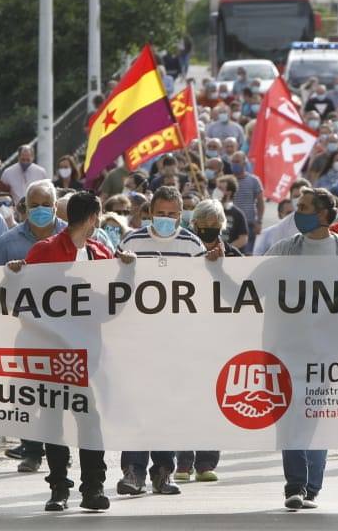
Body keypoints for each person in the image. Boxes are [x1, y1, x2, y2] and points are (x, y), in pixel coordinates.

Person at [9, 191, 127, 512]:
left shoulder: (101, 254)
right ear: (92, 218)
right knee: (53, 419)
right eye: (97, 217)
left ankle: (93, 488)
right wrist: (16, 275)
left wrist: (125, 273)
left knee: (88, 420)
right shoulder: (45, 251)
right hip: (49, 355)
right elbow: (20, 299)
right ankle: (59, 487)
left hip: (85, 357)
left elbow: (110, 308)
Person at [266, 188, 338, 510]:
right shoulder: (284, 250)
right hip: (289, 351)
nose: (297, 212)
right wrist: (217, 266)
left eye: (303, 207)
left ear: (325, 215)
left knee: (316, 418)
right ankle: (295, 485)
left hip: (329, 354)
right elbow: (248, 285)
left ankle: (312, 487)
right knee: (291, 417)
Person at [115, 186, 206, 496]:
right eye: (160, 213)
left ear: (180, 215)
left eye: (171, 214)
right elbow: (115, 287)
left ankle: (164, 472)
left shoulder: (192, 245)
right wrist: (123, 270)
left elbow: (205, 292)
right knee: (137, 407)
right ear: (149, 213)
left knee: (168, 408)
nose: (165, 219)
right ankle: (133, 471)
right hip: (138, 342)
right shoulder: (131, 242)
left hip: (176, 343)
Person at [0, 179, 67, 469]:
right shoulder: (8, 242)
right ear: (25, 208)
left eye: (47, 205)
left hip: (66, 332)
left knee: (57, 396)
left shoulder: (73, 237)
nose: (41, 210)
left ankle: (60, 455)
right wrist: (9, 276)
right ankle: (32, 451)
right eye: (35, 205)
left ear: (56, 206)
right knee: (27, 392)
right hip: (26, 331)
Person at [173, 198, 236, 483]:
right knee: (185, 400)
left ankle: (207, 462)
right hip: (185, 337)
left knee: (213, 400)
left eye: (214, 226)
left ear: (221, 226)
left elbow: (240, 296)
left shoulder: (234, 256)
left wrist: (221, 269)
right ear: (193, 224)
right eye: (203, 225)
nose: (208, 230)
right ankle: (183, 462)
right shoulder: (184, 252)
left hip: (219, 340)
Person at [227, 151, 266, 252]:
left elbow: (260, 202)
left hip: (249, 224)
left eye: (237, 161)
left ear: (244, 163)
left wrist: (259, 221)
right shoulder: (228, 181)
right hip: (230, 224)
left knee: (247, 254)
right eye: (233, 162)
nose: (235, 164)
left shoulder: (254, 180)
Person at [215, 174, 250, 251]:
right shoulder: (210, 211)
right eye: (216, 187)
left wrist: (226, 249)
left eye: (220, 188)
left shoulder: (237, 214)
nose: (216, 191)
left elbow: (243, 239)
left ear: (229, 192)